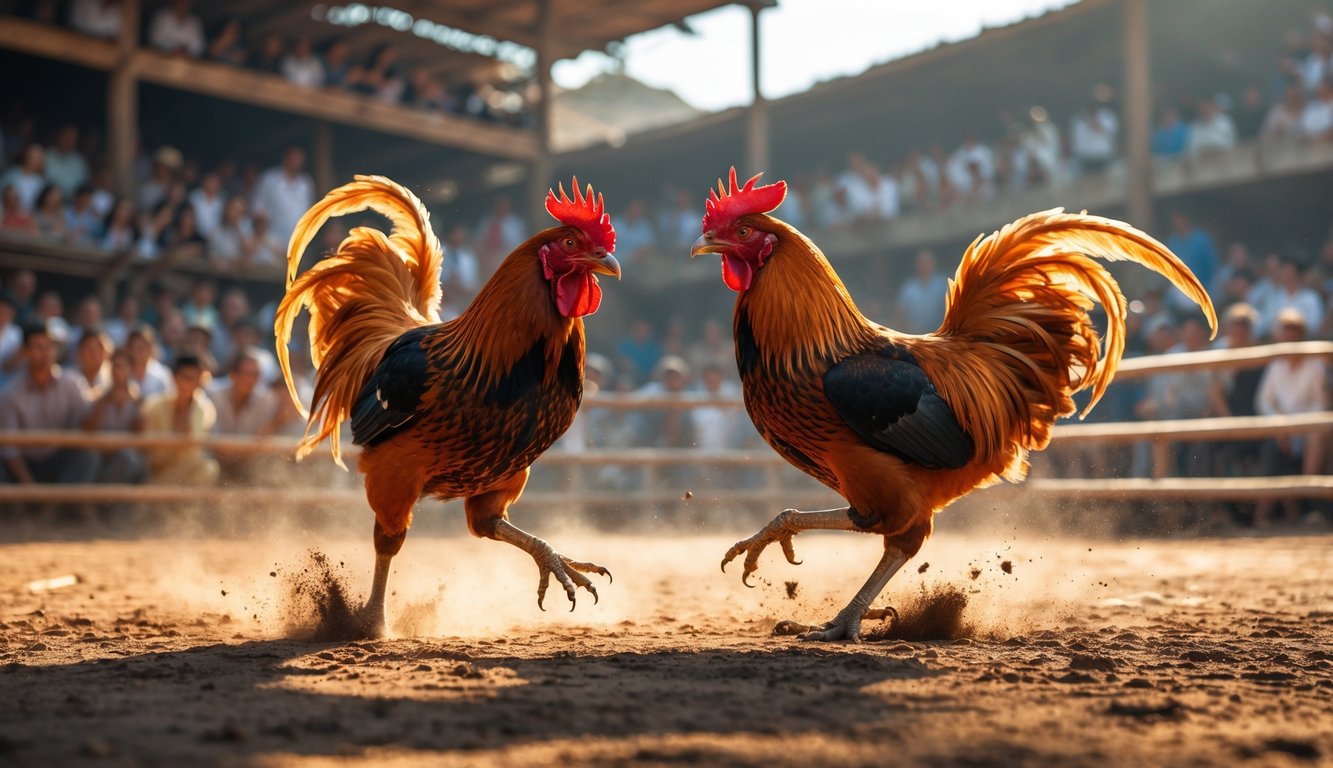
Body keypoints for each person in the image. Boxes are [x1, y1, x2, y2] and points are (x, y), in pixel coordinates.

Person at [0, 323, 100, 485]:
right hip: (24, 461)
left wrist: (102, 403)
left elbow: (85, 424)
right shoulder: (10, 394)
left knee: (88, 455)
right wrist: (31, 488)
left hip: (58, 458)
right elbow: (10, 451)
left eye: (49, 347)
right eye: (38, 347)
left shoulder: (72, 383)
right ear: (25, 351)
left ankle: (60, 505)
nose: (45, 353)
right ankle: (17, 507)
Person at [1254, 309, 1328, 526]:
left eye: (1293, 333)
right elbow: (1264, 402)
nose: (1289, 338)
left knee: (1316, 442)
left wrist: (1294, 428)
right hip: (1283, 431)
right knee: (1272, 449)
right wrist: (1281, 425)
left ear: (1301, 336)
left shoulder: (1315, 367)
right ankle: (1264, 516)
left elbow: (1321, 404)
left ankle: (1310, 508)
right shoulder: (1276, 367)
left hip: (1309, 431)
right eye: (1285, 333)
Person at [140, 355, 218, 486]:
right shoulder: (154, 406)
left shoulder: (205, 409)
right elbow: (149, 448)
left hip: (187, 473)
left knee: (209, 468)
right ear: (174, 378)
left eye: (195, 379)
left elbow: (196, 446)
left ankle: (188, 504)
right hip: (155, 472)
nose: (190, 383)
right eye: (186, 377)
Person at [82, 348, 147, 485]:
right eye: (115, 366)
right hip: (101, 455)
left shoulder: (138, 402)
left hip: (124, 456)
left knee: (130, 459)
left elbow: (140, 437)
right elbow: (88, 430)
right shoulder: (98, 397)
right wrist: (102, 404)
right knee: (90, 458)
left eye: (123, 366)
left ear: (131, 369)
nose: (119, 371)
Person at [252, 146, 313, 246]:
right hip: (272, 241)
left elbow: (309, 211)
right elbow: (257, 208)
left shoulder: (305, 183)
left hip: (299, 241)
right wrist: (264, 237)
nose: (296, 162)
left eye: (299, 159)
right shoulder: (268, 179)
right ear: (285, 158)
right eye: (293, 158)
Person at [894, 249, 950, 334]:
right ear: (916, 265)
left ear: (933, 264)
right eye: (921, 262)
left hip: (940, 332)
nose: (924, 265)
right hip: (915, 334)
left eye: (927, 262)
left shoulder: (942, 284)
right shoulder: (909, 288)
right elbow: (900, 313)